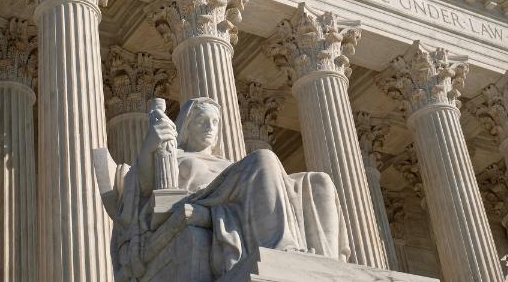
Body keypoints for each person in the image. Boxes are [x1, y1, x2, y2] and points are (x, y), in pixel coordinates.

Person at [108, 97, 350, 279]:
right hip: (200, 200)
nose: (210, 128)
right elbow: (141, 191)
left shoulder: (229, 165)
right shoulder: (174, 156)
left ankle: (325, 266)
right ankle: (280, 248)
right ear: (186, 126)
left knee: (320, 182)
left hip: (231, 200)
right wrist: (151, 146)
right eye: (201, 121)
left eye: (215, 122)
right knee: (264, 158)